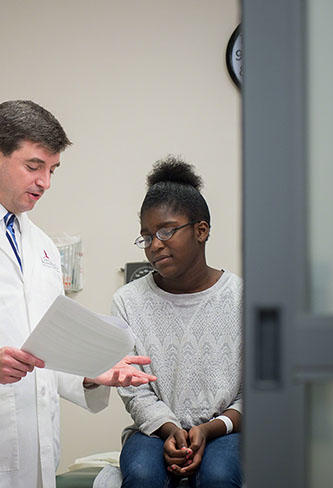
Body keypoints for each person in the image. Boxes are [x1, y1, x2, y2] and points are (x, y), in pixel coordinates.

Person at [0, 100, 156, 488]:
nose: (45, 182)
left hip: (35, 460)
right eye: (34, 166)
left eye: (52, 170)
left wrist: (90, 374)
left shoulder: (42, 246)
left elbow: (44, 352)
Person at [112, 156, 243, 488]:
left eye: (166, 231)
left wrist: (210, 428)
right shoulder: (128, 302)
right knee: (142, 475)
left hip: (228, 429)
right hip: (155, 430)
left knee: (218, 475)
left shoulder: (243, 298)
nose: (155, 245)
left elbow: (256, 391)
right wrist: (171, 429)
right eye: (147, 236)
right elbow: (134, 389)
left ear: (201, 230)